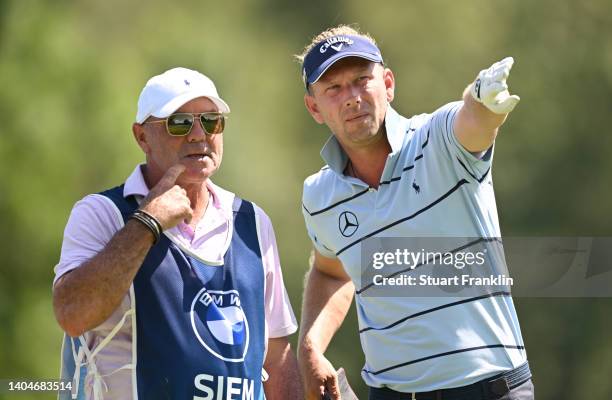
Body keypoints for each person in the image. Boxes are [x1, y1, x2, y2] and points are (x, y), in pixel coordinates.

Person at [296, 25, 534, 400]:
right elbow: (331, 271)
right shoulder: (320, 195)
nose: (353, 97)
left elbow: (472, 123)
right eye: (334, 88)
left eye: (362, 80)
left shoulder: (436, 139)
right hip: (391, 392)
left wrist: (483, 101)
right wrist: (310, 346)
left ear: (388, 84)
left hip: (489, 387)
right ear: (315, 108)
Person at [52, 67, 301, 400]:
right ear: (142, 136)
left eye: (211, 120)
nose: (199, 134)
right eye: (180, 123)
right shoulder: (103, 213)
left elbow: (276, 355)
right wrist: (147, 222)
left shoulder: (252, 222)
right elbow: (72, 314)